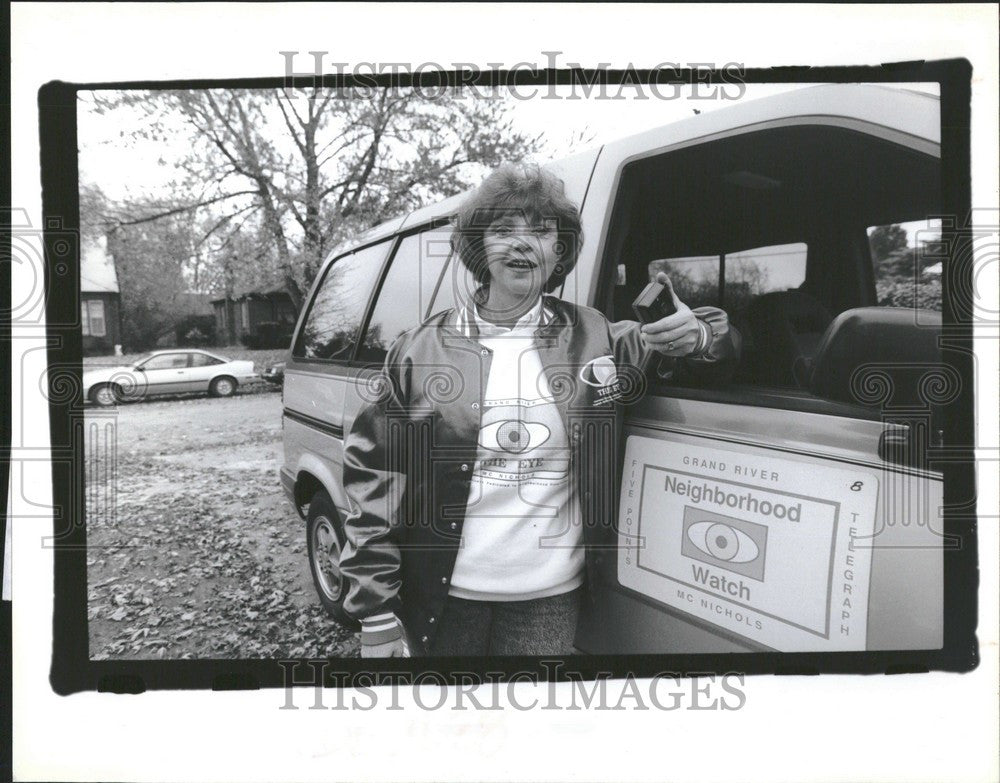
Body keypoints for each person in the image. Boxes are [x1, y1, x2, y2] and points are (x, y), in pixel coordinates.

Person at [339, 163, 740, 657]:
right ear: (479, 247)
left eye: (542, 230)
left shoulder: (596, 338)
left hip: (549, 599)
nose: (522, 243)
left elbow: (711, 345)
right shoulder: (418, 350)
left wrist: (698, 334)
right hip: (442, 597)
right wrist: (376, 610)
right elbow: (374, 477)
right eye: (503, 229)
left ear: (560, 251)